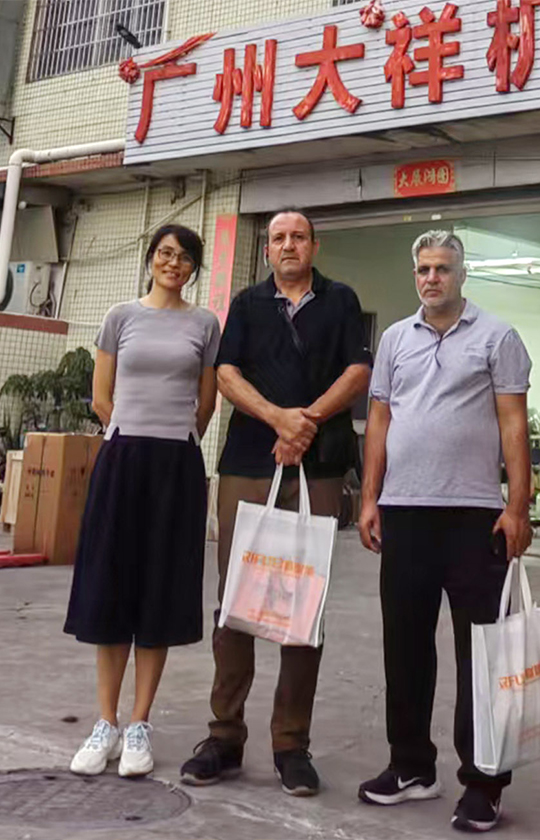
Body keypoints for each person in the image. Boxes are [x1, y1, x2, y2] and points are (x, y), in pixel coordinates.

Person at [180, 208, 372, 797]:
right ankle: (224, 736)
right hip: (247, 462)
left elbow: (358, 371)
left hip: (318, 466)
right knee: (235, 599)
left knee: (302, 604)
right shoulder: (247, 303)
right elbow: (227, 373)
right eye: (279, 238)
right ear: (267, 250)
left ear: (314, 246)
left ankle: (292, 746)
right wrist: (276, 419)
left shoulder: (341, 301)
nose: (289, 245)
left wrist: (304, 422)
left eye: (298, 237)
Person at [357, 231, 532, 832]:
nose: (432, 278)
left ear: (462, 275)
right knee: (404, 645)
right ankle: (411, 767)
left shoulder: (497, 337)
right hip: (404, 512)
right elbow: (380, 419)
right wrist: (370, 497)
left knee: (480, 653)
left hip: (474, 517)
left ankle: (483, 782)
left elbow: (514, 424)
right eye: (424, 269)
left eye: (443, 269)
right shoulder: (394, 340)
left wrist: (518, 505)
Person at [64, 224, 220, 778]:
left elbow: (206, 402)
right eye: (165, 253)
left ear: (194, 268)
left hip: (176, 466)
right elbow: (101, 396)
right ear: (151, 258)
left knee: (160, 589)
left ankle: (138, 724)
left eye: (184, 257)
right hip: (122, 461)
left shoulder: (205, 324)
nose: (173, 264)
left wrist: (177, 438)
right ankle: (105, 722)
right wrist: (130, 436)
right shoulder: (120, 316)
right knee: (111, 585)